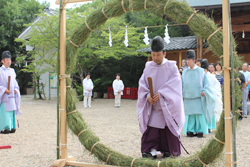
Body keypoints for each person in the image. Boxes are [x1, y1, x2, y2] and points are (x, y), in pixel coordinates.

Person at [137, 36, 185, 159]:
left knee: (167, 128)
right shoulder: (148, 66)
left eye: (158, 55)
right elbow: (142, 84)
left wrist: (162, 93)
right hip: (153, 106)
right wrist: (147, 96)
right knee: (152, 129)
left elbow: (175, 85)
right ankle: (150, 150)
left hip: (167, 106)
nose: (156, 58)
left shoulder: (172, 67)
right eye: (153, 55)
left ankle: (168, 149)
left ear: (164, 53)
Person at [182, 50, 215, 138]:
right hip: (187, 97)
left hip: (198, 96)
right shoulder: (184, 72)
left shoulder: (200, 71)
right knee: (189, 114)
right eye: (187, 60)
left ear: (194, 60)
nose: (187, 62)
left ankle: (200, 130)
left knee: (199, 114)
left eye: (189, 60)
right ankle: (190, 130)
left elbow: (207, 84)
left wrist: (204, 91)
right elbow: (181, 84)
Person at [0, 51, 21, 134]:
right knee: (5, 112)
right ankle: (5, 127)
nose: (9, 62)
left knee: (11, 111)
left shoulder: (12, 71)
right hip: (4, 95)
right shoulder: (0, 71)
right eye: (7, 60)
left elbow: (15, 82)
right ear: (2, 61)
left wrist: (16, 89)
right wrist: (4, 89)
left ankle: (12, 126)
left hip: (11, 94)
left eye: (9, 60)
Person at [201, 59, 222, 131]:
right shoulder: (200, 76)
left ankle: (210, 127)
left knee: (210, 111)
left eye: (205, 69)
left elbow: (217, 86)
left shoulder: (212, 77)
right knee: (203, 112)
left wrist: (209, 92)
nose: (204, 71)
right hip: (202, 96)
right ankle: (204, 127)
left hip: (210, 96)